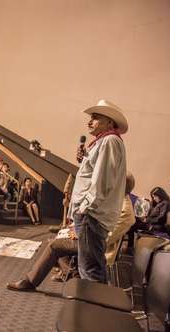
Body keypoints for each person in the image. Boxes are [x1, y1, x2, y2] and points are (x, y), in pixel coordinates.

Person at [7, 173, 135, 291]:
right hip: (88, 238)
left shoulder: (125, 210)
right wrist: (77, 229)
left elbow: (105, 236)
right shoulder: (116, 201)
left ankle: (30, 282)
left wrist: (80, 234)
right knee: (60, 238)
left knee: (54, 246)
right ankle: (72, 275)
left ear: (121, 185)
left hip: (95, 247)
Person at [68, 100, 127, 283]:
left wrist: (84, 208)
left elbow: (102, 181)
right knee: (91, 267)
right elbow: (98, 173)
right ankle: (96, 308)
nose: (89, 121)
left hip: (91, 215)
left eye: (95, 117)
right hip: (91, 214)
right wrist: (85, 158)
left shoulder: (109, 141)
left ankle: (93, 309)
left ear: (109, 122)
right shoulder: (105, 141)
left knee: (90, 271)